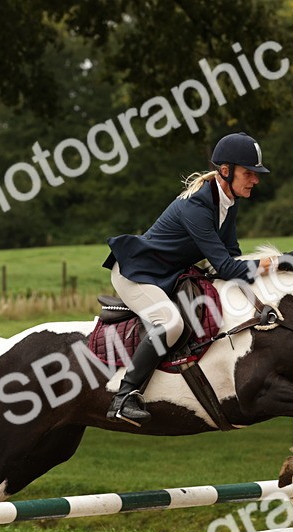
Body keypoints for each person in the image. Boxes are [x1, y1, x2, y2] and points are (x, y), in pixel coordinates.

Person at [101, 131, 275, 425]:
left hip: (164, 275)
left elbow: (231, 258)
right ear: (226, 171)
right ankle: (124, 397)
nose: (255, 180)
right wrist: (273, 262)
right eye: (249, 173)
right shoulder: (197, 206)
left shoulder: (227, 204)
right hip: (136, 274)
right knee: (170, 323)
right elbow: (226, 267)